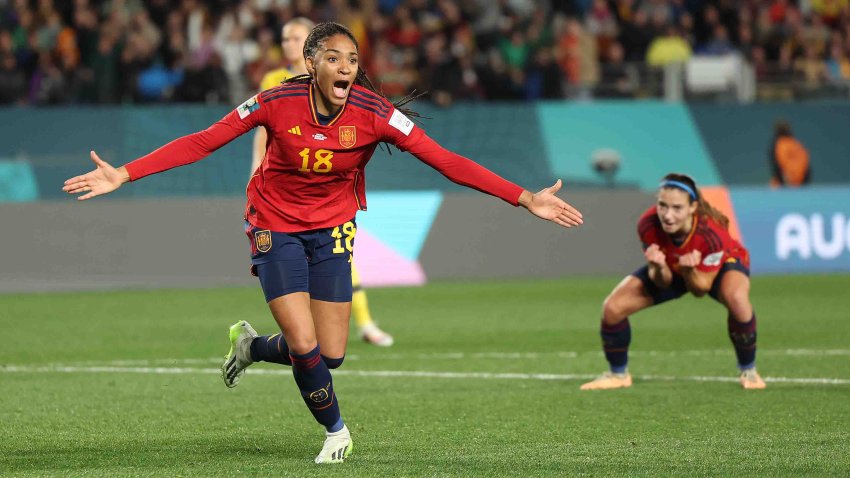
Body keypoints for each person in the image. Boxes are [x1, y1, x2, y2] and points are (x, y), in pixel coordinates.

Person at [63, 22, 584, 465]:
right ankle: (337, 431)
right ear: (311, 62)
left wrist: (523, 198)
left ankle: (250, 346)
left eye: (353, 60)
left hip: (332, 230)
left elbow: (447, 160)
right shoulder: (274, 101)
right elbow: (203, 140)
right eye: (333, 58)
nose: (346, 67)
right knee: (305, 342)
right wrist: (125, 174)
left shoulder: (375, 113)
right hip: (274, 226)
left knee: (329, 354)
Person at [254, 17, 393, 347]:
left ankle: (364, 322)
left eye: (296, 37)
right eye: (285, 38)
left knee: (339, 257)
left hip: (330, 191)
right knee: (305, 336)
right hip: (284, 195)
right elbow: (263, 130)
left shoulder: (346, 91)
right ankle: (300, 338)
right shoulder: (274, 81)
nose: (288, 43)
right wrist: (256, 169)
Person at [580, 173, 765, 391]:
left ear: (692, 207)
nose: (667, 215)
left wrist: (689, 271)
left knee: (737, 299)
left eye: (677, 208)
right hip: (675, 267)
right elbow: (662, 283)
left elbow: (700, 289)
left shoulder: (712, 234)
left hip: (720, 265)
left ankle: (749, 370)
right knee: (612, 308)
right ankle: (618, 374)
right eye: (662, 205)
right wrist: (658, 267)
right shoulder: (648, 224)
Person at [769, 119, 811, 188]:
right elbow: (807, 166)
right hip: (802, 181)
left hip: (789, 182)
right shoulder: (796, 144)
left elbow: (779, 166)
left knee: (773, 186)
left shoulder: (779, 144)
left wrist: (786, 182)